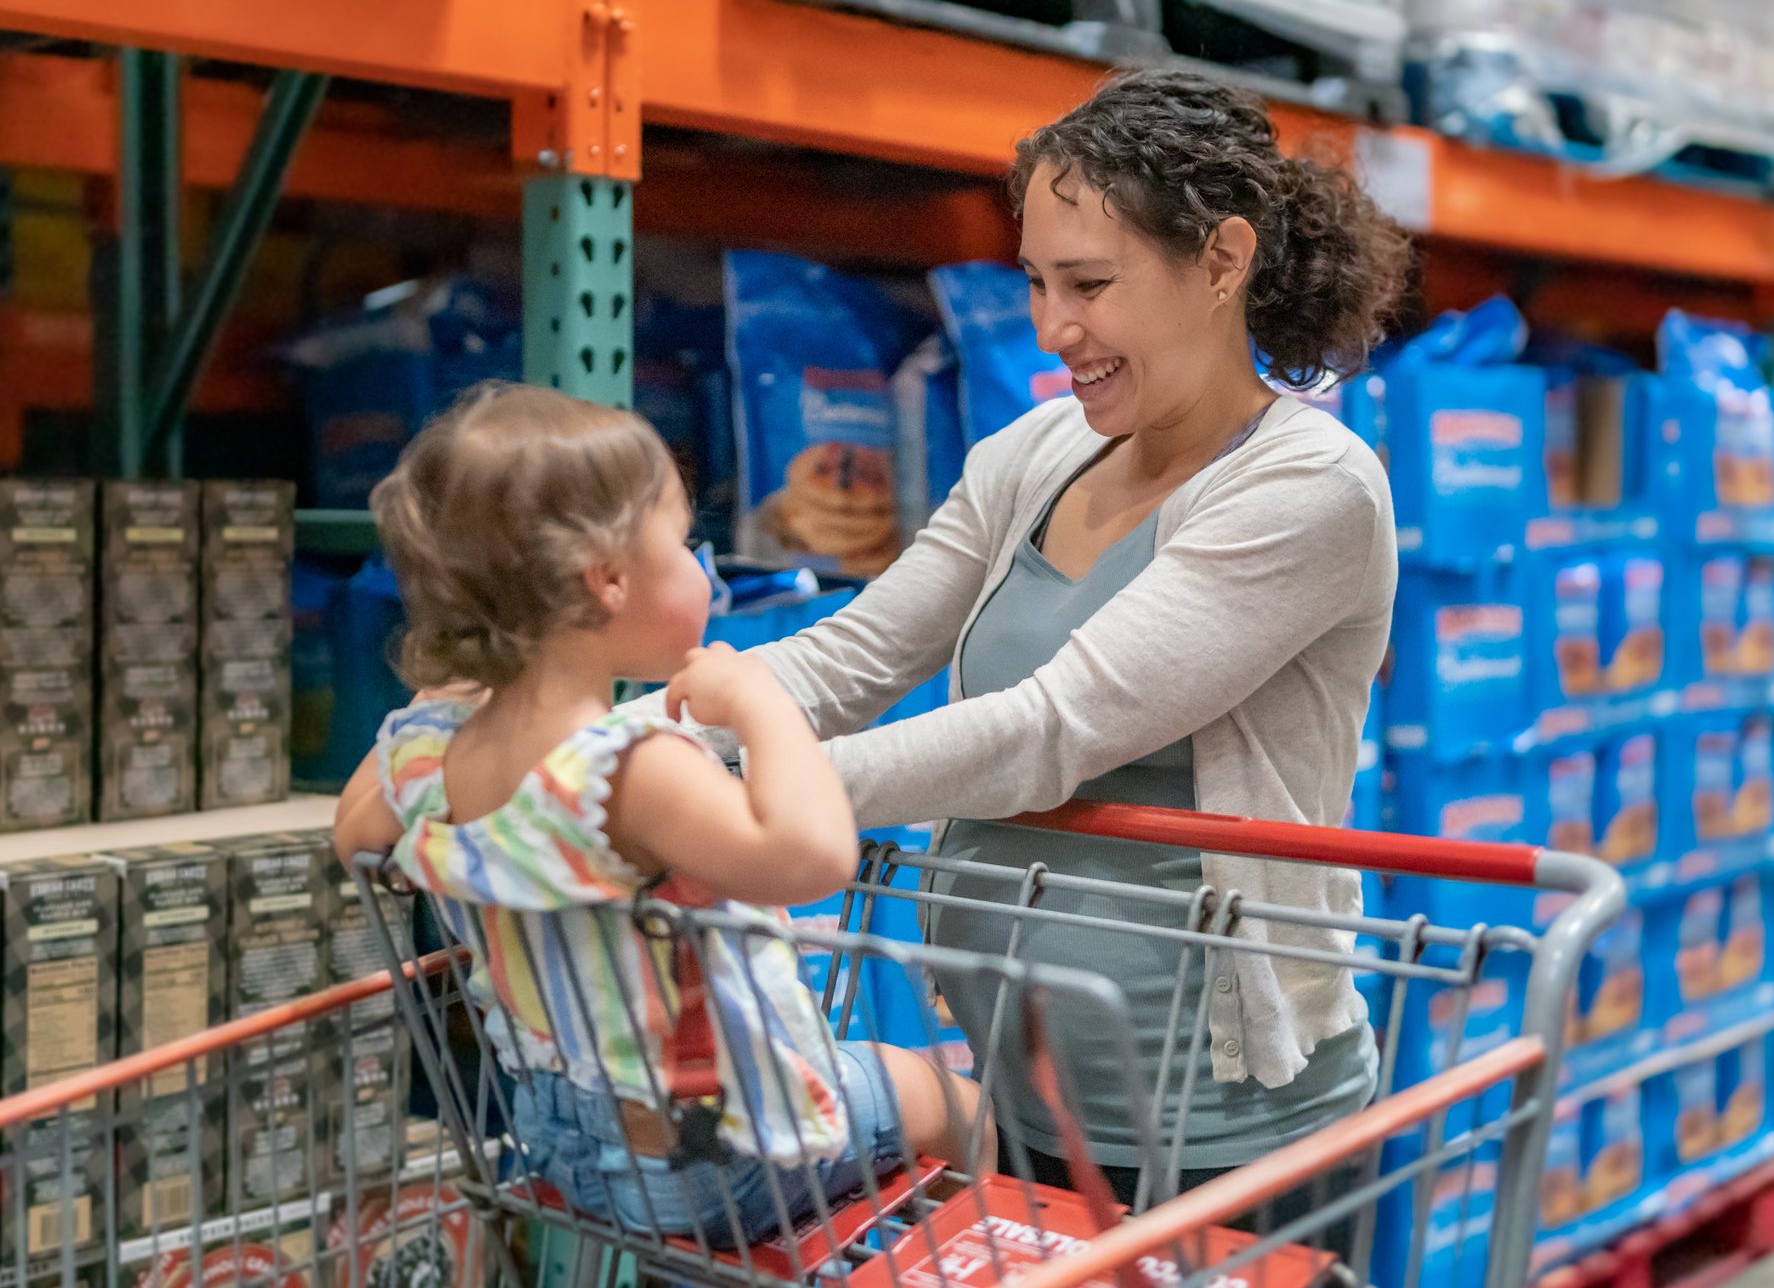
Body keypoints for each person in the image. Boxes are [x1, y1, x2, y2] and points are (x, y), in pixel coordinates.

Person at [645, 68, 1413, 1198]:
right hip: (1015, 1090)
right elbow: (850, 659)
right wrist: (609, 752)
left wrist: (740, 806)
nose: (1056, 328)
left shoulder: (1311, 485)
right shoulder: (1037, 452)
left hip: (1218, 1129)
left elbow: (1049, 730)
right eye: (1039, 283)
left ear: (1222, 260)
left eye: (1092, 283)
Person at [331, 384, 988, 1247]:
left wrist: (471, 680)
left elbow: (353, 835)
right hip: (722, 1164)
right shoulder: (629, 772)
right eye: (682, 544)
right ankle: (1068, 1243)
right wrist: (761, 706)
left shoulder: (432, 757)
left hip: (562, 1144)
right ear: (606, 581)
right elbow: (815, 856)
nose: (701, 567)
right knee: (932, 1089)